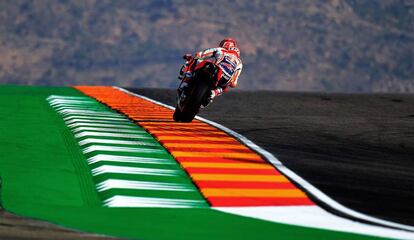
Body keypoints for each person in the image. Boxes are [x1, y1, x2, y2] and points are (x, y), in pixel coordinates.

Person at [178, 38, 243, 104]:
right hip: (224, 79)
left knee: (194, 61)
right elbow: (233, 84)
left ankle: (186, 78)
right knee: (225, 87)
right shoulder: (239, 63)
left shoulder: (221, 50)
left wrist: (195, 57)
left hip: (216, 69)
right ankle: (213, 93)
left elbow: (202, 54)